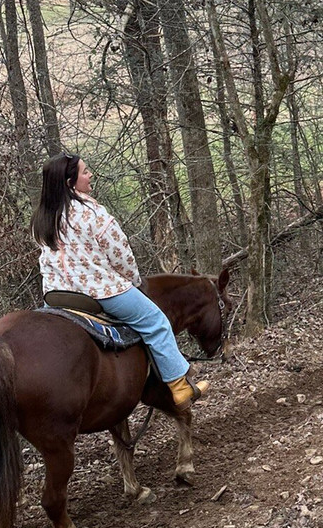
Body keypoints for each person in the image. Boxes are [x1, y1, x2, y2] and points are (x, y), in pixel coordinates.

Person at [32, 153, 209, 412]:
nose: (90, 174)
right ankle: (180, 387)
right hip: (99, 291)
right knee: (155, 322)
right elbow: (120, 254)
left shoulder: (42, 218)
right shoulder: (93, 213)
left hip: (56, 294)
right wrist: (134, 280)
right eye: (84, 172)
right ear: (70, 182)